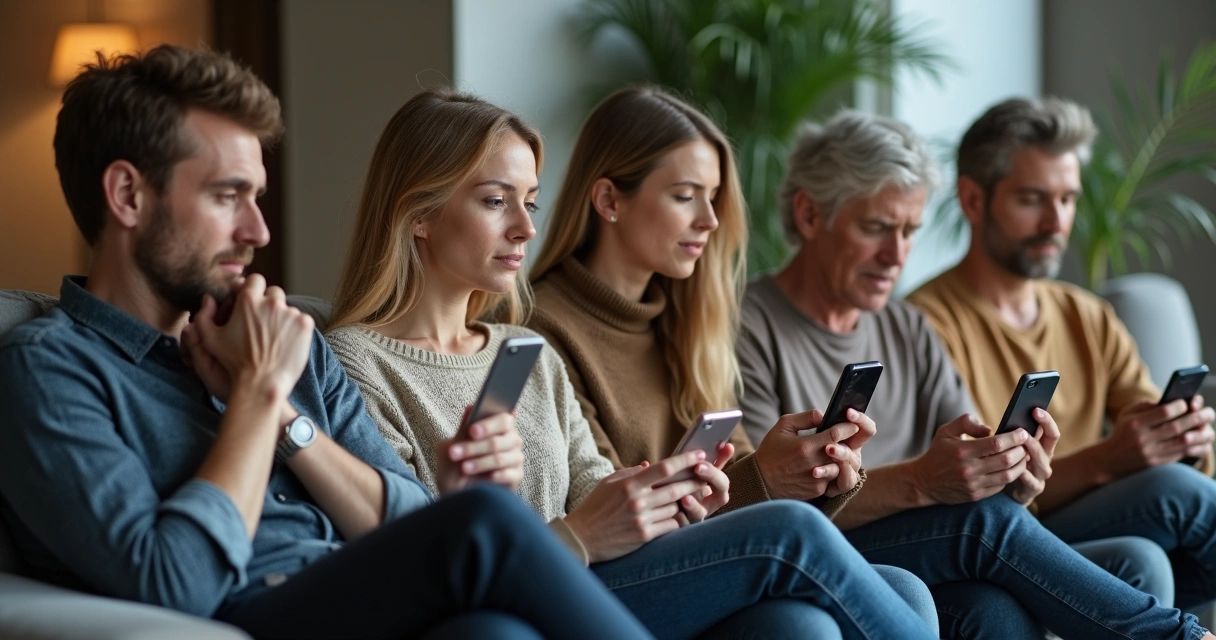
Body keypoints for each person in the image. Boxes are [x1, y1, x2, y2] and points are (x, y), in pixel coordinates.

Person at [0, 45, 656, 640]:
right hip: (262, 609)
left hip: (370, 598)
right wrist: (258, 395)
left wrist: (289, 419)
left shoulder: (289, 338)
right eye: (229, 196)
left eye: (257, 196)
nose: (258, 229)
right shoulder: (51, 369)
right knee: (483, 520)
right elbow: (175, 583)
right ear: (127, 195)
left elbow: (408, 514)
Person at [324, 87, 939, 640]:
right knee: (791, 535)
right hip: (525, 597)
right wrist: (589, 528)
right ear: (421, 213)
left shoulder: (523, 355)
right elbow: (401, 550)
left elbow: (596, 488)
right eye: (494, 201)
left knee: (827, 614)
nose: (523, 229)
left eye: (530, 204)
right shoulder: (356, 361)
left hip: (602, 574)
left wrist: (667, 498)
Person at [735, 108, 1213, 639]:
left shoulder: (907, 326)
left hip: (929, 547)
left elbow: (972, 464)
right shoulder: (748, 329)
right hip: (828, 549)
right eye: (876, 228)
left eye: (910, 231)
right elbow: (767, 511)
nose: (896, 255)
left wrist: (1015, 476)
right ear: (808, 215)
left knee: (995, 609)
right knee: (979, 522)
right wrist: (923, 482)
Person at [523, 85, 938, 628]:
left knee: (884, 596)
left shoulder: (688, 320)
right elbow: (612, 509)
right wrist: (762, 478)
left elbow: (740, 479)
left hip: (704, 560)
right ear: (609, 201)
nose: (710, 221)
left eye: (713, 197)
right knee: (800, 536)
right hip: (613, 577)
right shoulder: (542, 328)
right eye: (685, 195)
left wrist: (805, 475)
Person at [908, 96, 1216, 613]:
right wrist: (1111, 459)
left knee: (1150, 548)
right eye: (1032, 199)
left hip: (1089, 529)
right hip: (1003, 533)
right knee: (1177, 494)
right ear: (973, 200)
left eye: (1068, 199)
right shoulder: (926, 324)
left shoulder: (1086, 315)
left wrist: (1183, 439)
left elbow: (1178, 457)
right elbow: (979, 496)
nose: (1056, 222)